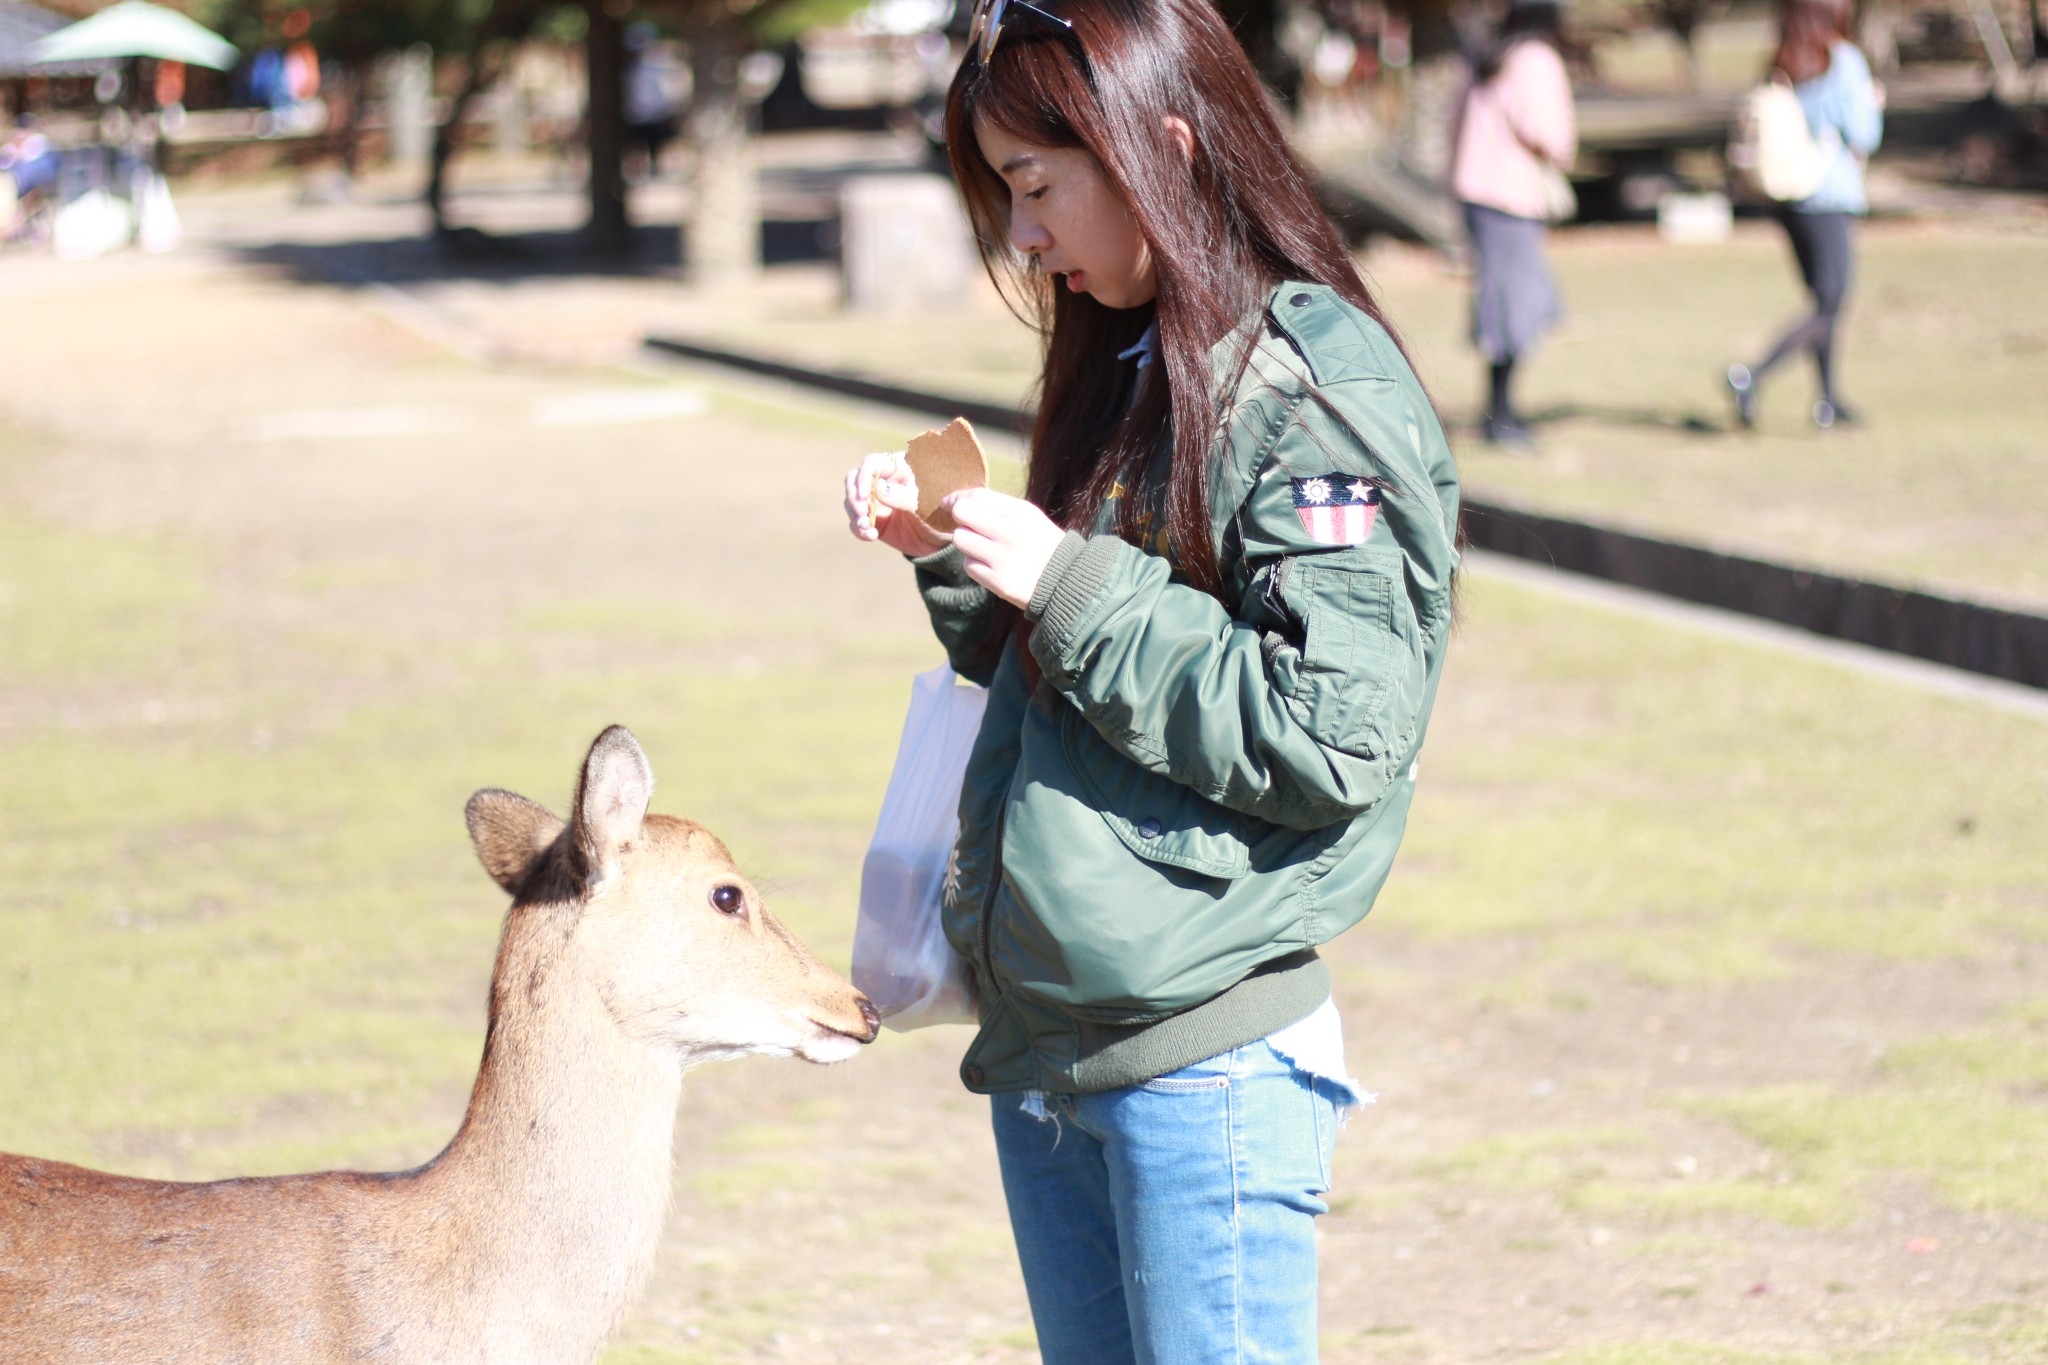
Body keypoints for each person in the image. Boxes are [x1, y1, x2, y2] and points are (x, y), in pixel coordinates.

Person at [839, 0, 1459, 1356]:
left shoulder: (1311, 389)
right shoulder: (1132, 357)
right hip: (1055, 1054)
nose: (1025, 235)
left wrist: (1070, 581)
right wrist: (959, 559)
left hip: (1207, 1064)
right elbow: (1089, 690)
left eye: (1035, 185)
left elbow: (1334, 727)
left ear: (1165, 147)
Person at [1725, 0, 1884, 431]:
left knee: (1822, 299)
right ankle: (1752, 376)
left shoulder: (1783, 63)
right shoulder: (1843, 60)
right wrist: (1874, 103)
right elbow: (1864, 135)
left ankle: (1828, 400)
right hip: (1829, 195)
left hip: (1787, 198)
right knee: (1831, 302)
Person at [1448, 0, 1576, 451]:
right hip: (1512, 196)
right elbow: (1552, 134)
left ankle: (1500, 411)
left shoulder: (1488, 55)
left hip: (1478, 192)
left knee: (1503, 303)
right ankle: (1500, 417)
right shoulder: (1536, 59)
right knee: (1515, 306)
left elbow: (1456, 123)